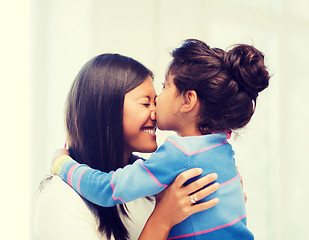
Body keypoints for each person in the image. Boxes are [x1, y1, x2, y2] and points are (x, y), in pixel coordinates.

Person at [53, 39, 270, 239]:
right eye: (146, 102)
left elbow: (108, 189)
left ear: (188, 101)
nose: (156, 107)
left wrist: (62, 164)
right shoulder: (221, 146)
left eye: (164, 87)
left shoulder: (179, 153)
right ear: (106, 108)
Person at [34, 53, 220, 240]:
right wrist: (162, 220)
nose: (156, 113)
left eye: (155, 102)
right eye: (146, 103)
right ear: (107, 109)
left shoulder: (153, 188)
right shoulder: (59, 198)